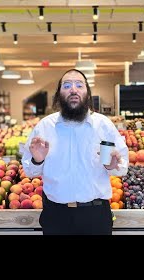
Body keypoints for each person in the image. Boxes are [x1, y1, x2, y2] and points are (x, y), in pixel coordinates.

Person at [21, 69, 129, 235]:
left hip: (96, 216)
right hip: (56, 216)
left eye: (79, 85)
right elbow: (30, 170)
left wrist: (111, 165)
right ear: (59, 94)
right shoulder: (45, 127)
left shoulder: (103, 126)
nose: (73, 89)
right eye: (67, 85)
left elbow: (122, 167)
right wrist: (38, 160)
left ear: (87, 93)